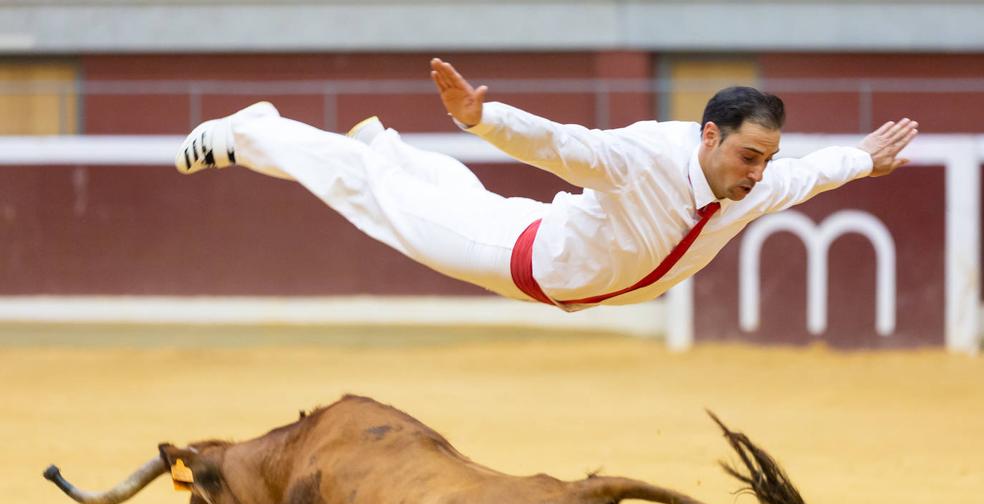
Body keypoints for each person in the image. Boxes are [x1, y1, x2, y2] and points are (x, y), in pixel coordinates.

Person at [175, 57, 917, 311]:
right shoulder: (643, 160)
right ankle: (253, 131)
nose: (760, 175)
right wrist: (482, 117)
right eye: (751, 156)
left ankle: (385, 146)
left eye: (767, 159)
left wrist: (866, 157)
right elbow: (564, 144)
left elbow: (811, 173)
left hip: (548, 247)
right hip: (519, 258)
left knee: (443, 192)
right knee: (380, 203)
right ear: (710, 136)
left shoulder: (754, 182)